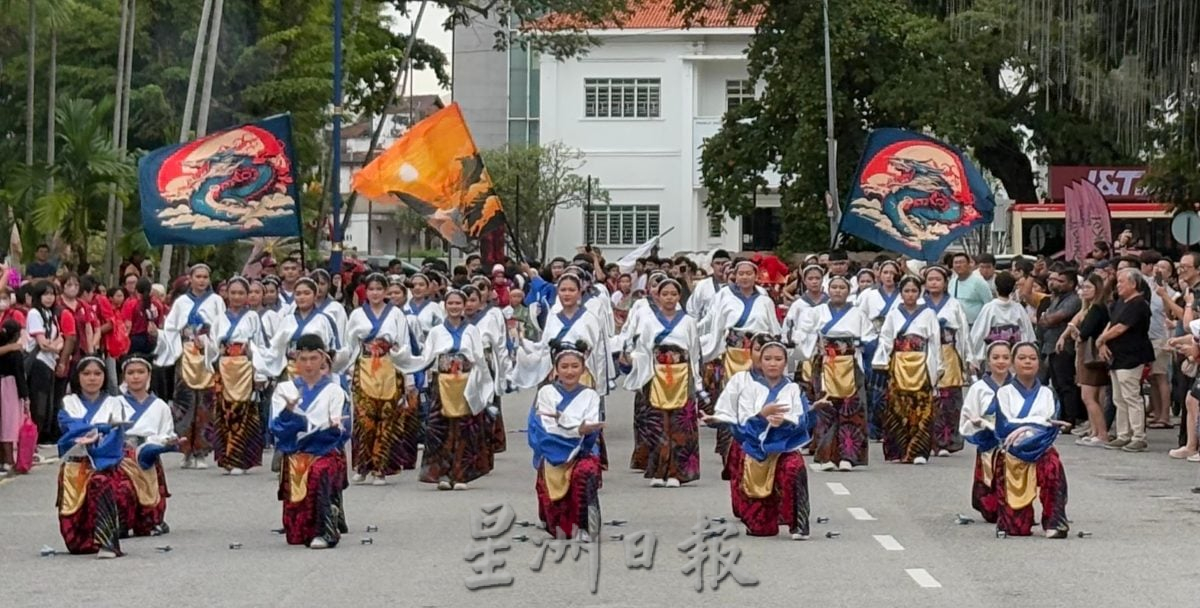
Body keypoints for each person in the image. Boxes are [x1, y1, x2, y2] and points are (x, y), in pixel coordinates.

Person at [705, 340, 824, 540]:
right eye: (767, 359)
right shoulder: (746, 385)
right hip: (754, 450)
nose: (772, 363)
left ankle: (799, 524)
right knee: (761, 529)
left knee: (794, 468)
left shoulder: (793, 389)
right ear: (759, 360)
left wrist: (792, 420)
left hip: (784, 449)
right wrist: (761, 416)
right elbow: (740, 423)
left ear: (785, 362)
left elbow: (801, 420)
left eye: (778, 359)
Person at [269, 334, 351, 549]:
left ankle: (325, 530)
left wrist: (326, 428)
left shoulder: (335, 390)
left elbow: (341, 429)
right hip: (295, 453)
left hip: (324, 451)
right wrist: (289, 414)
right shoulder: (284, 390)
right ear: (296, 360)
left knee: (318, 472)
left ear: (323, 359)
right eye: (303, 359)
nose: (308, 364)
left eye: (313, 358)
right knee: (295, 535)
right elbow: (275, 428)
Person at [621, 279, 704, 487]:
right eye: (664, 293)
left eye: (673, 294)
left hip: (682, 375)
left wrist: (697, 380)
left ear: (679, 297)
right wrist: (635, 360)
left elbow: (694, 352)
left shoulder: (688, 321)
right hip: (657, 374)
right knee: (658, 424)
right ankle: (659, 470)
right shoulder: (649, 321)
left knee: (679, 426)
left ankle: (677, 472)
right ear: (658, 295)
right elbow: (643, 349)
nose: (669, 298)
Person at [344, 273, 424, 485]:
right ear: (365, 292)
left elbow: (404, 345)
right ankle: (362, 465)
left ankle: (380, 468)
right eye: (371, 289)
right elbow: (350, 345)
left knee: (387, 420)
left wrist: (409, 380)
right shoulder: (357, 315)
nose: (375, 293)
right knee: (364, 420)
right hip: (365, 367)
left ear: (386, 291)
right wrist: (349, 369)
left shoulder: (396, 314)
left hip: (390, 367)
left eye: (380, 289)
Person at [703, 259, 782, 467]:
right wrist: (714, 351)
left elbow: (773, 329)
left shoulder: (765, 300)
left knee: (758, 400)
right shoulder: (724, 296)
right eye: (741, 273)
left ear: (756, 276)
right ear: (735, 276)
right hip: (732, 355)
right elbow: (716, 327)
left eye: (749, 273)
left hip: (757, 355)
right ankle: (730, 452)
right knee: (731, 400)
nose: (745, 277)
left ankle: (759, 447)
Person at [418, 290, 495, 490]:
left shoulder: (471, 330)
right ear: (445, 305)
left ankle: (461, 474)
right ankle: (442, 474)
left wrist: (485, 386)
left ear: (463, 306)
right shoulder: (436, 332)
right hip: (442, 381)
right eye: (450, 303)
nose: (454, 307)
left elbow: (478, 359)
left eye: (458, 303)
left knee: (464, 429)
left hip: (465, 382)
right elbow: (426, 358)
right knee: (441, 429)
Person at [794, 275, 873, 471]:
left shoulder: (858, 314)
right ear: (828, 290)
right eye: (834, 287)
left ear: (849, 291)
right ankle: (826, 455)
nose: (838, 290)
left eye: (842, 287)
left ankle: (849, 456)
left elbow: (870, 337)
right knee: (826, 410)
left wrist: (860, 344)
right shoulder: (815, 313)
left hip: (850, 364)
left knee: (851, 410)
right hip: (826, 364)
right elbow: (801, 335)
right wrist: (815, 342)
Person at [993, 342, 1070, 539]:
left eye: (1032, 358)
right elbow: (1005, 425)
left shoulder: (1048, 393)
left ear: (1039, 363)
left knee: (1053, 466)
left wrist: (1027, 427)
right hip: (1013, 451)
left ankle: (1054, 521)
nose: (1028, 362)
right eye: (1022, 358)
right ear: (1013, 363)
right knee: (1017, 529)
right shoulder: (1003, 393)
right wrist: (1036, 423)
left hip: (1041, 447)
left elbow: (1051, 425)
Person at [527, 346, 605, 540]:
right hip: (552, 452)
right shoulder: (545, 393)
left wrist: (562, 420)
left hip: (582, 452)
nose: (570, 371)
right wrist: (575, 428)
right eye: (564, 366)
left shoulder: (591, 396)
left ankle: (585, 525)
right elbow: (545, 428)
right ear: (556, 369)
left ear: (583, 369)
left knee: (584, 472)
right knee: (559, 529)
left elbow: (591, 426)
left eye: (575, 366)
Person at [155, 264, 226, 470]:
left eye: (205, 276)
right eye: (198, 276)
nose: (202, 280)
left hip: (206, 355)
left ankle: (201, 451)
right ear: (191, 279)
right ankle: (185, 450)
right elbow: (170, 328)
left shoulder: (216, 301)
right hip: (185, 353)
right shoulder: (181, 302)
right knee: (184, 403)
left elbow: (221, 328)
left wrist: (210, 342)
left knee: (205, 403)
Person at [55, 358, 127, 558]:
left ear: (105, 377)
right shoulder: (68, 402)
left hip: (103, 465)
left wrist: (97, 438)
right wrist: (101, 427)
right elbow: (69, 429)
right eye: (86, 374)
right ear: (78, 377)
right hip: (75, 466)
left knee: (100, 482)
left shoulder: (115, 403)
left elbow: (116, 436)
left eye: (97, 374)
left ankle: (107, 543)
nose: (92, 378)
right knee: (76, 543)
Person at [872, 275, 942, 465]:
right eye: (906, 291)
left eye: (913, 291)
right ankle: (898, 450)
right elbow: (886, 339)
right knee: (897, 406)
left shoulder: (928, 314)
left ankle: (918, 451)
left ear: (919, 293)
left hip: (921, 362)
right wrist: (883, 359)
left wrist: (937, 366)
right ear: (901, 293)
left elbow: (935, 342)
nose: (910, 295)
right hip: (899, 363)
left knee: (921, 408)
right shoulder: (894, 313)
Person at [116, 356, 178, 537]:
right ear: (124, 377)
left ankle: (151, 520)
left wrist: (164, 442)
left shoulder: (160, 406)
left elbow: (167, 431)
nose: (136, 377)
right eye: (131, 373)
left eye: (140, 372)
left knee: (151, 495)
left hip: (149, 453)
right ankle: (123, 521)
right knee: (124, 490)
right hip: (123, 456)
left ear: (149, 375)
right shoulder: (115, 403)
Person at [209, 277, 265, 475]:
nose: (237, 297)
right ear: (226, 294)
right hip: (224, 367)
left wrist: (259, 370)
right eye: (233, 293)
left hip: (244, 366)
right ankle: (227, 457)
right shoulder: (219, 318)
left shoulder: (253, 317)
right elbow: (211, 346)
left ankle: (240, 458)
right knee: (225, 411)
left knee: (244, 411)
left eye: (241, 293)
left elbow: (259, 344)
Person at [1099, 268, 1155, 452]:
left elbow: (1121, 328)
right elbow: (1112, 323)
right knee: (1118, 397)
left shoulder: (1139, 304)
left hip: (1132, 355)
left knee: (1131, 396)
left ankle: (1138, 436)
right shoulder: (1120, 302)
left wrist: (1103, 338)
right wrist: (1103, 342)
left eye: (1122, 281)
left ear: (1133, 284)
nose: (1118, 285)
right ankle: (1123, 434)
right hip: (1117, 356)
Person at [960, 341, 1011, 523]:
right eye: (995, 357)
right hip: (988, 441)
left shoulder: (1017, 387)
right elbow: (967, 415)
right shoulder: (978, 388)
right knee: (989, 501)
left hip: (1011, 444)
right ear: (988, 362)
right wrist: (977, 424)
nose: (1001, 361)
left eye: (1005, 357)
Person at [922, 266, 970, 457]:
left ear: (945, 282)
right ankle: (928, 440)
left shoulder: (954, 304)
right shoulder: (918, 302)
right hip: (925, 353)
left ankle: (946, 440)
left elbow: (963, 333)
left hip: (948, 351)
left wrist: (967, 357)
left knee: (948, 399)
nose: (934, 282)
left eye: (938, 279)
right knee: (927, 398)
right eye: (930, 279)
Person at [1059, 274, 1111, 446]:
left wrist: (1076, 332)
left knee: (1089, 396)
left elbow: (1085, 332)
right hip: (1088, 355)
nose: (1084, 291)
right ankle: (1094, 431)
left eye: (1089, 287)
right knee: (1091, 396)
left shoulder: (1097, 308)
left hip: (1091, 356)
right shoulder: (1090, 307)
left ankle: (1101, 433)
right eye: (1083, 288)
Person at [856, 259, 904, 440]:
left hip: (897, 344)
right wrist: (864, 340)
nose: (889, 276)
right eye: (886, 272)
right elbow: (859, 317)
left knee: (894, 385)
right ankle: (872, 427)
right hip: (873, 342)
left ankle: (892, 426)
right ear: (879, 274)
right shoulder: (868, 295)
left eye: (893, 273)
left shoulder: (904, 294)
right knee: (872, 386)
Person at [1040, 266, 1082, 428]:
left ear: (1071, 284)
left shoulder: (1073, 300)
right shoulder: (1056, 298)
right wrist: (1046, 319)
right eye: (1056, 280)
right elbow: (1044, 319)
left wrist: (1047, 319)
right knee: (1057, 384)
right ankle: (1062, 416)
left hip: (1064, 347)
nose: (1056, 283)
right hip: (1050, 345)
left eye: (1061, 281)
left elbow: (1051, 319)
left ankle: (1070, 419)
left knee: (1066, 385)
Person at [968, 272, 1035, 371]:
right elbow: (1027, 332)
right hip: (1013, 351)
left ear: (996, 287)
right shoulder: (1018, 308)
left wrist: (973, 357)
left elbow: (979, 333)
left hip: (994, 353)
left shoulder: (989, 308)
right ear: (1013, 288)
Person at [28, 281, 68, 444]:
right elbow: (43, 343)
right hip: (39, 362)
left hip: (50, 362)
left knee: (47, 403)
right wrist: (55, 348)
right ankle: (33, 441)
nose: (49, 297)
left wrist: (55, 347)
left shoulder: (51, 314)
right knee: (38, 403)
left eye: (52, 294)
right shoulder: (34, 313)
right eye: (45, 294)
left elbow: (61, 339)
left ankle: (38, 439)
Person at [948, 253, 992, 325]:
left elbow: (989, 304)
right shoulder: (952, 282)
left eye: (961, 262)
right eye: (956, 263)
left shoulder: (979, 282)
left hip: (975, 325)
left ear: (969, 264)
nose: (958, 265)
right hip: (958, 325)